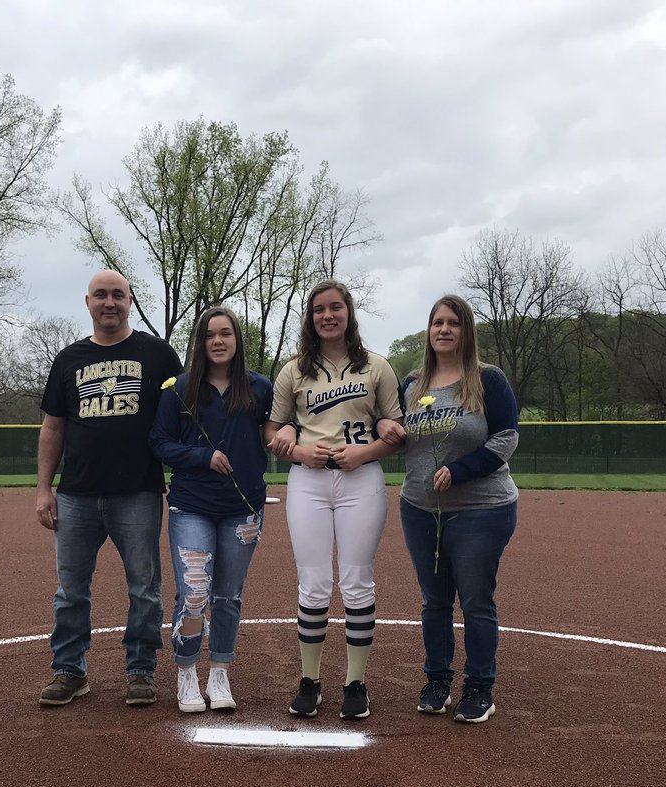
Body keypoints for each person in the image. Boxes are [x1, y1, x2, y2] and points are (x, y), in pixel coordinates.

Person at [36, 270, 182, 708]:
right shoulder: (68, 359)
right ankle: (69, 671)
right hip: (77, 494)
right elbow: (52, 427)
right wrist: (44, 489)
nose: (109, 302)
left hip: (137, 491)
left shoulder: (157, 354)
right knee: (71, 590)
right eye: (101, 295)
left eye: (118, 295)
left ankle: (140, 671)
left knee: (144, 586)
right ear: (88, 302)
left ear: (130, 301)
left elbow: (182, 418)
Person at [265, 279, 403, 721]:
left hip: (360, 478)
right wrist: (296, 448)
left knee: (357, 581)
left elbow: (395, 431)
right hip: (309, 480)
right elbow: (273, 429)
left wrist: (366, 451)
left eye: (335, 308)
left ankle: (355, 682)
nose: (327, 316)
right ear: (311, 317)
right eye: (319, 309)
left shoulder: (376, 367)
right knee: (314, 583)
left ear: (349, 313)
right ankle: (310, 680)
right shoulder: (294, 371)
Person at [399, 295, 519, 724]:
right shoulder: (411, 384)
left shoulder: (488, 380)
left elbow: (507, 438)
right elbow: (397, 435)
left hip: (481, 509)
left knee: (474, 601)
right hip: (419, 508)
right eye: (437, 323)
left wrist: (461, 469)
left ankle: (479, 687)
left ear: (466, 332)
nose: (444, 330)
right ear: (428, 331)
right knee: (434, 602)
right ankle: (437, 681)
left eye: (453, 323)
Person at [149, 307, 273, 713]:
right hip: (192, 506)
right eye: (209, 335)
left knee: (228, 596)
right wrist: (203, 456)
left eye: (226, 334)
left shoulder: (259, 388)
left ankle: (219, 672)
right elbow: (160, 443)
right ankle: (186, 672)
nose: (218, 341)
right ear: (200, 343)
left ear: (237, 341)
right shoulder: (179, 390)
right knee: (195, 593)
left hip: (243, 508)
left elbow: (276, 432)